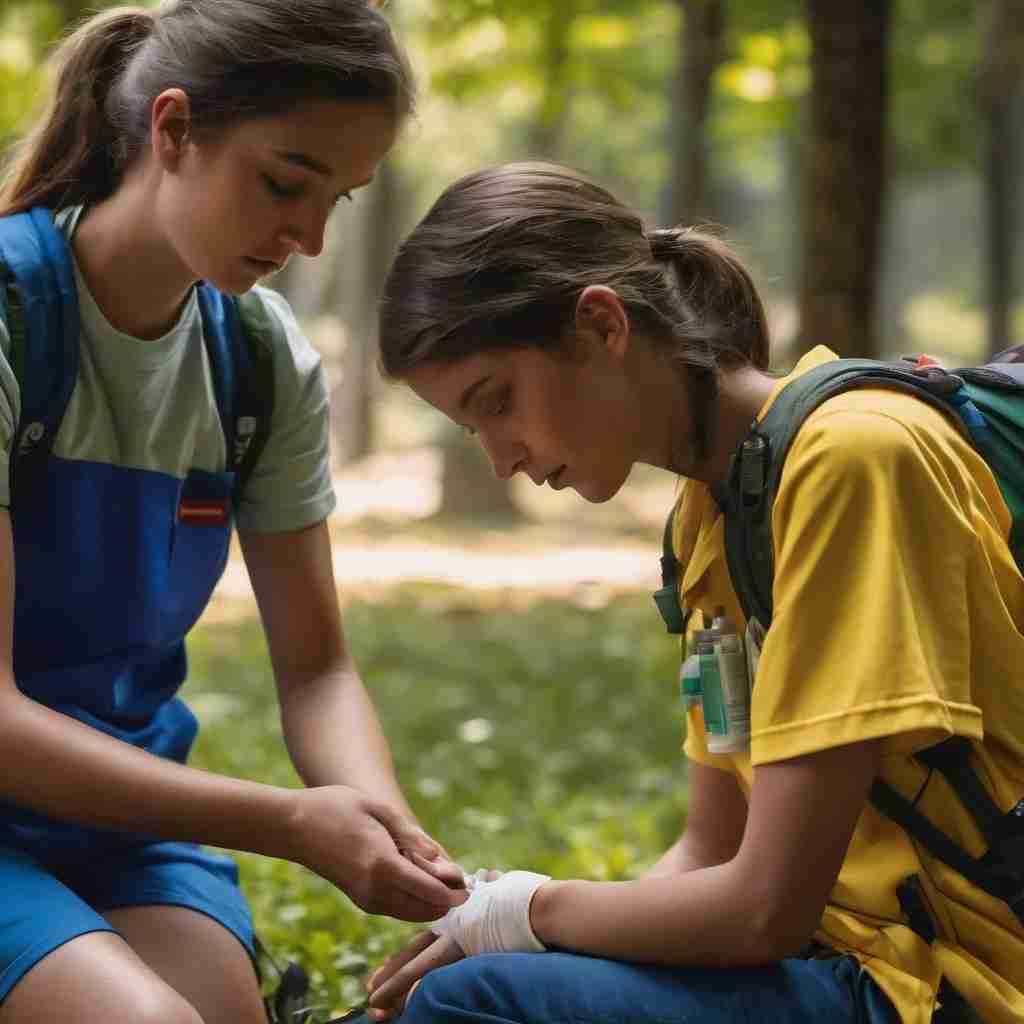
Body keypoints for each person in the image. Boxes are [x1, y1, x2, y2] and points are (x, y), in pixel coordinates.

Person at [362, 161, 1024, 1024]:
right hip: (848, 958)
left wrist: (527, 912)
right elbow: (712, 852)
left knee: (478, 1000)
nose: (501, 456)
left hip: (959, 983)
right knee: (478, 986)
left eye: (499, 401)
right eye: (470, 424)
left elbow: (761, 909)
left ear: (601, 323)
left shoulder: (853, 462)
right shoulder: (709, 515)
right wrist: (525, 929)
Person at [0, 4, 468, 1023]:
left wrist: (388, 828)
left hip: (121, 820)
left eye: (336, 200)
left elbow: (317, 667)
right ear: (172, 131)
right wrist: (291, 822)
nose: (306, 237)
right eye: (284, 183)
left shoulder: (257, 360)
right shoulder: (10, 315)